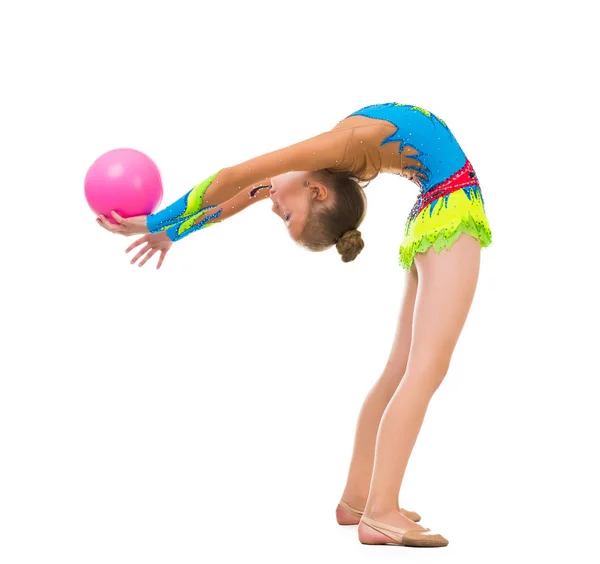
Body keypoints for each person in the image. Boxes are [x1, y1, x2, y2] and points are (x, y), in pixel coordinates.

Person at [96, 102, 492, 547]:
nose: (272, 207)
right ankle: (380, 512)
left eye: (285, 216)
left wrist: (159, 222)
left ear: (317, 191)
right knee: (422, 370)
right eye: (286, 216)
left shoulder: (334, 152)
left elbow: (232, 180)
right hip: (449, 207)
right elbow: (235, 193)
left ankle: (361, 500)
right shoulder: (321, 164)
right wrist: (169, 230)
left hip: (435, 210)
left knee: (406, 369)